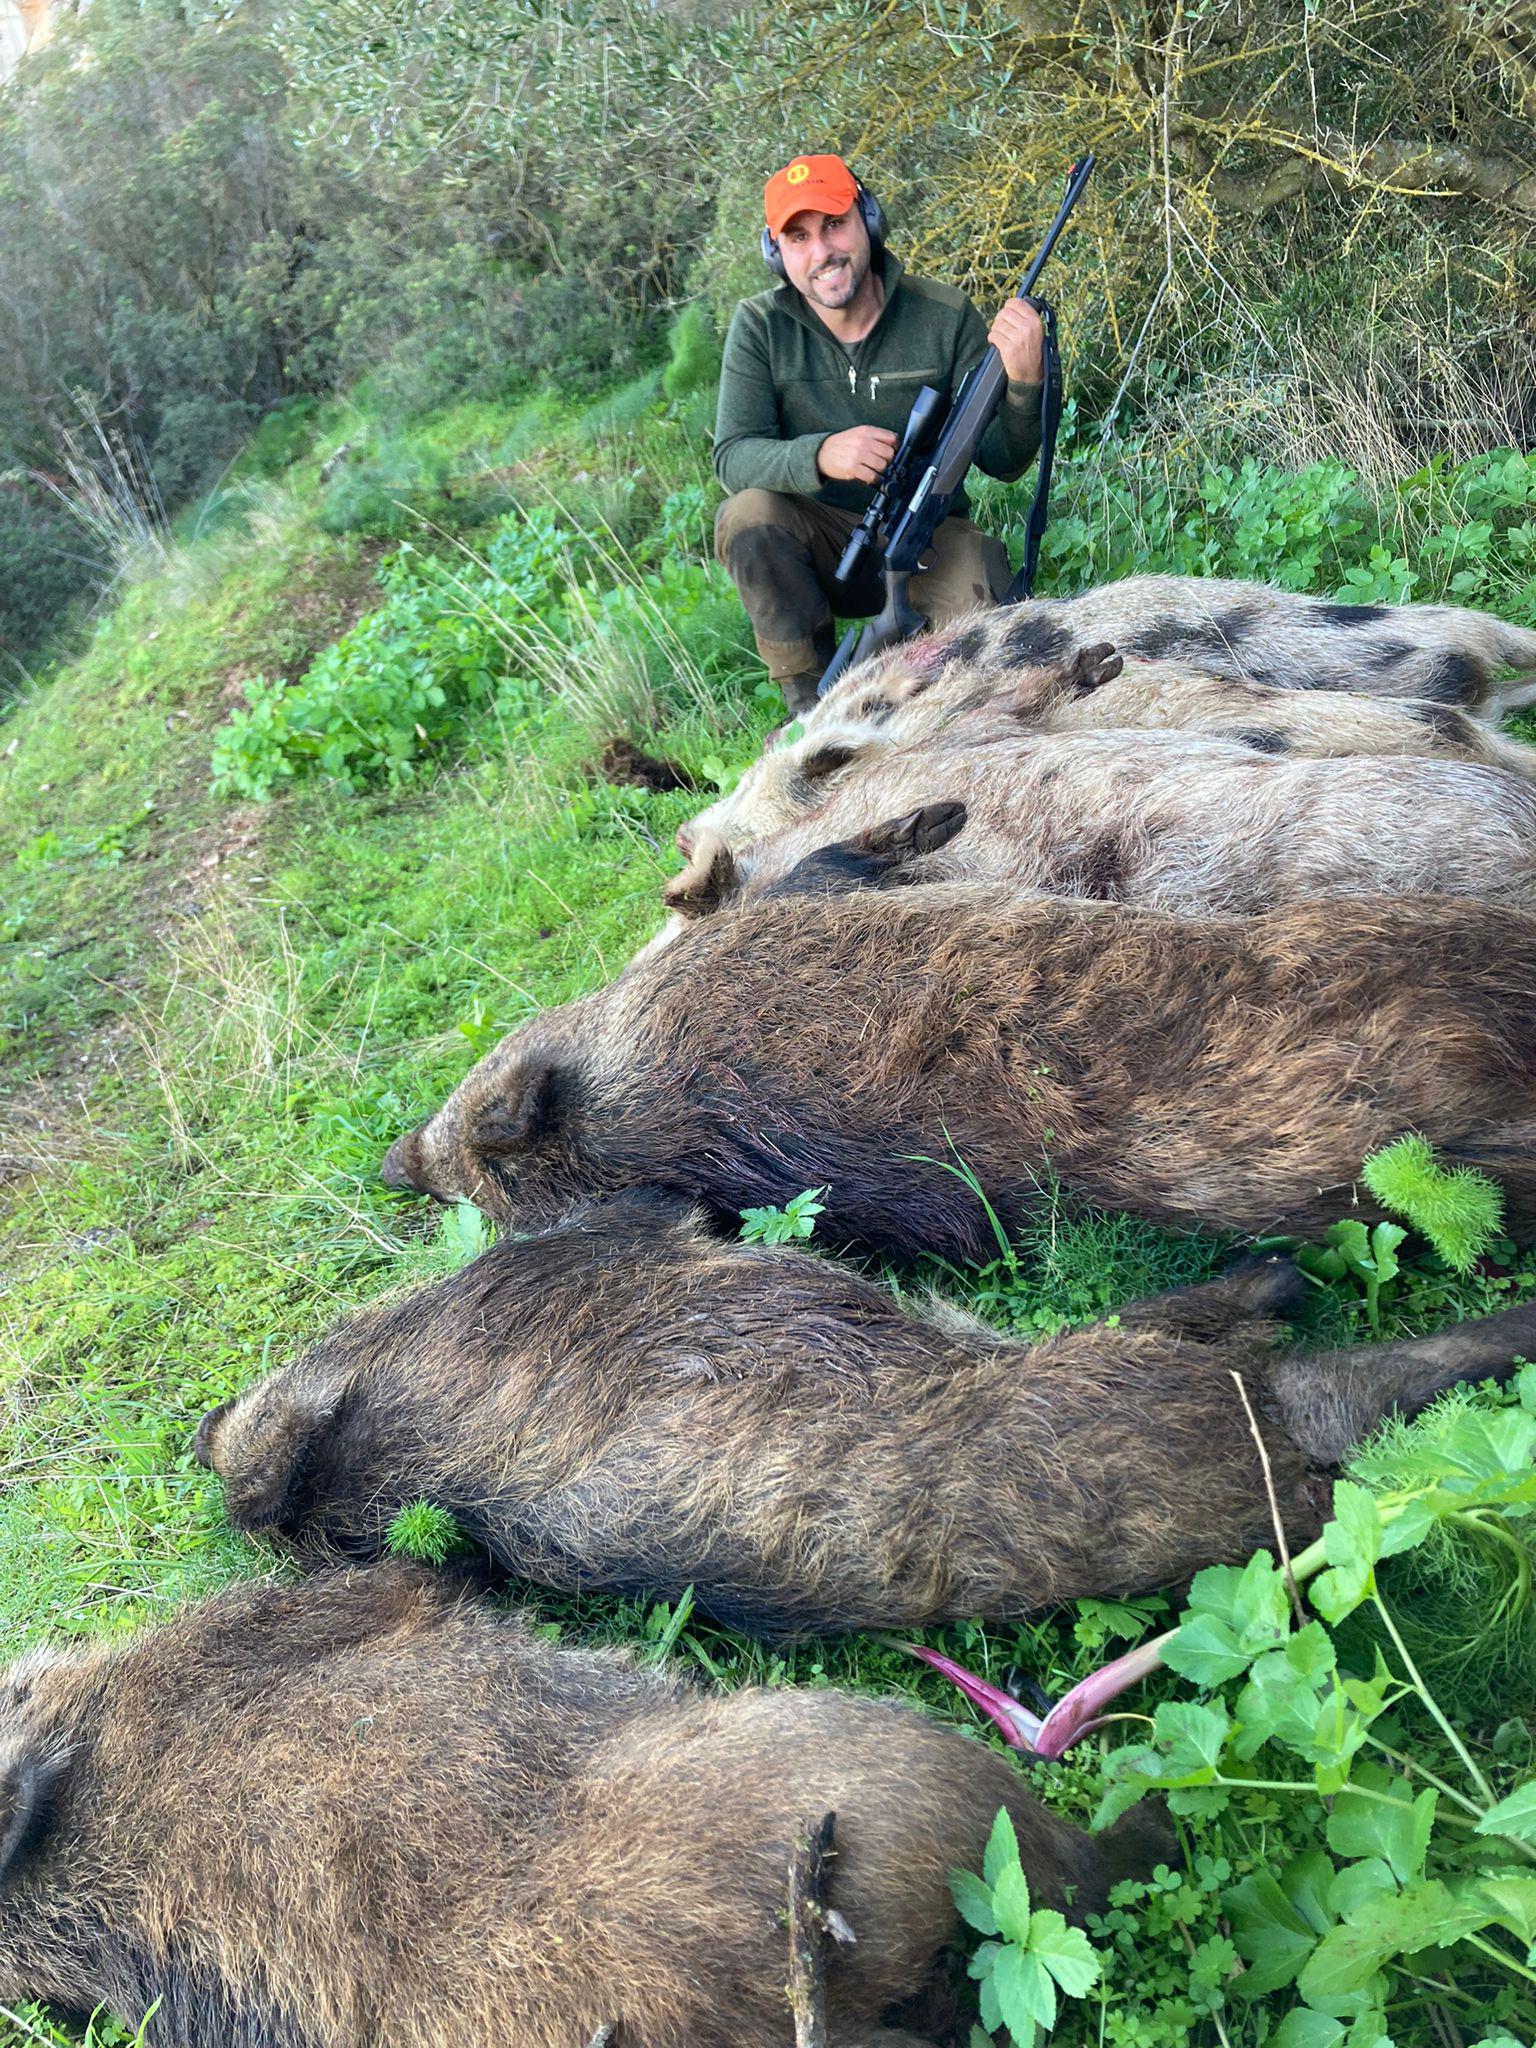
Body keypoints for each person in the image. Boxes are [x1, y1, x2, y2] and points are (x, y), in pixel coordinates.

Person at [713, 151, 1045, 715]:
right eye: (797, 238)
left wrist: (1025, 385)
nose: (822, 253)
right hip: (821, 547)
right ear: (776, 253)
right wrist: (821, 455)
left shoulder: (943, 314)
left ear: (868, 220)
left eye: (834, 225)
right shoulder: (759, 327)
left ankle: (958, 722)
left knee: (985, 607)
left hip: (926, 535)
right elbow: (733, 457)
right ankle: (808, 710)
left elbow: (1003, 459)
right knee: (748, 516)